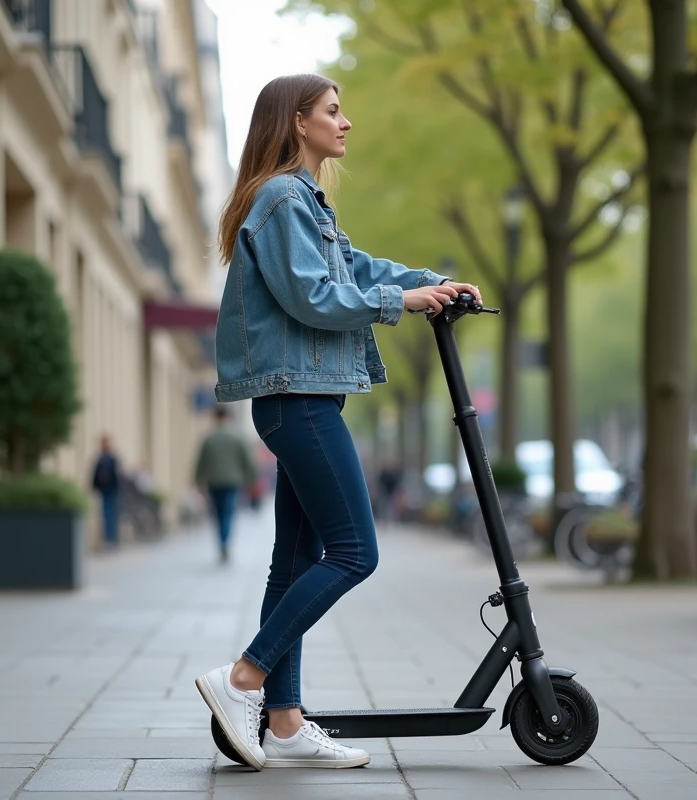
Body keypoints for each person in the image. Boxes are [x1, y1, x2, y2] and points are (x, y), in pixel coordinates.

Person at [193, 74, 481, 771]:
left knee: (292, 561)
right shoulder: (283, 197)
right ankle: (243, 680)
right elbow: (315, 295)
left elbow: (353, 264)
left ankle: (285, 723)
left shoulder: (302, 201)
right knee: (356, 551)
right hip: (298, 400)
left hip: (303, 396)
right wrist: (400, 300)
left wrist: (429, 282)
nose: (345, 123)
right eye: (332, 111)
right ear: (297, 122)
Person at [194, 406, 259, 563]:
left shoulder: (208, 438)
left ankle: (221, 542)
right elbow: (247, 460)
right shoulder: (238, 437)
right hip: (232, 481)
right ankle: (225, 542)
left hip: (213, 481)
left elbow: (201, 462)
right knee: (228, 512)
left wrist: (198, 480)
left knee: (217, 513)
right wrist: (253, 479)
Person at [91, 434, 120, 549]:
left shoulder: (113, 459)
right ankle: (108, 539)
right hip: (104, 491)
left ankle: (112, 539)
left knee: (111, 515)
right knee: (105, 515)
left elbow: (118, 476)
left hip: (112, 491)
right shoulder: (100, 459)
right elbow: (95, 474)